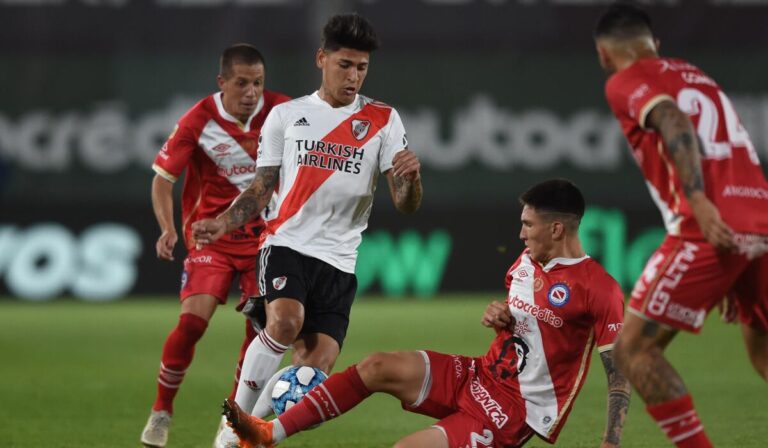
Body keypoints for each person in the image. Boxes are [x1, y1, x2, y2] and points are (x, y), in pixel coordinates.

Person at [220, 179, 630, 448]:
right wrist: (500, 314)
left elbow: (620, 373)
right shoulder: (524, 263)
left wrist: (610, 443)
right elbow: (527, 325)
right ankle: (267, 433)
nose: (521, 233)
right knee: (377, 365)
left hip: (512, 412)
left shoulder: (600, 288)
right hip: (478, 376)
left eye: (529, 224)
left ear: (557, 229)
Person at [192, 12, 423, 448]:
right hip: (288, 244)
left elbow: (405, 203)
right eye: (345, 65)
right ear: (322, 59)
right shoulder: (286, 115)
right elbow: (261, 189)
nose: (353, 76)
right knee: (285, 320)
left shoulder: (383, 120)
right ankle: (231, 425)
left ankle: (251, 428)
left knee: (312, 375)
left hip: (339, 261)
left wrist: (411, 178)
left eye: (362, 67)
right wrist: (222, 223)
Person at [594, 3, 768, 447]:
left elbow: (673, 120)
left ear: (603, 54)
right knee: (764, 351)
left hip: (707, 223)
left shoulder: (625, 80)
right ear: (657, 45)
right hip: (758, 218)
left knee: (632, 349)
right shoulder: (696, 74)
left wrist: (698, 201)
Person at [140, 44, 290, 448]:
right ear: (222, 82)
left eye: (258, 82)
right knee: (193, 321)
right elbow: (162, 178)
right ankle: (161, 410)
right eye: (242, 83)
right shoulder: (197, 120)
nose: (251, 92)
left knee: (261, 331)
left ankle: (233, 419)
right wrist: (167, 228)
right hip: (213, 238)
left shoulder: (282, 112)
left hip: (266, 241)